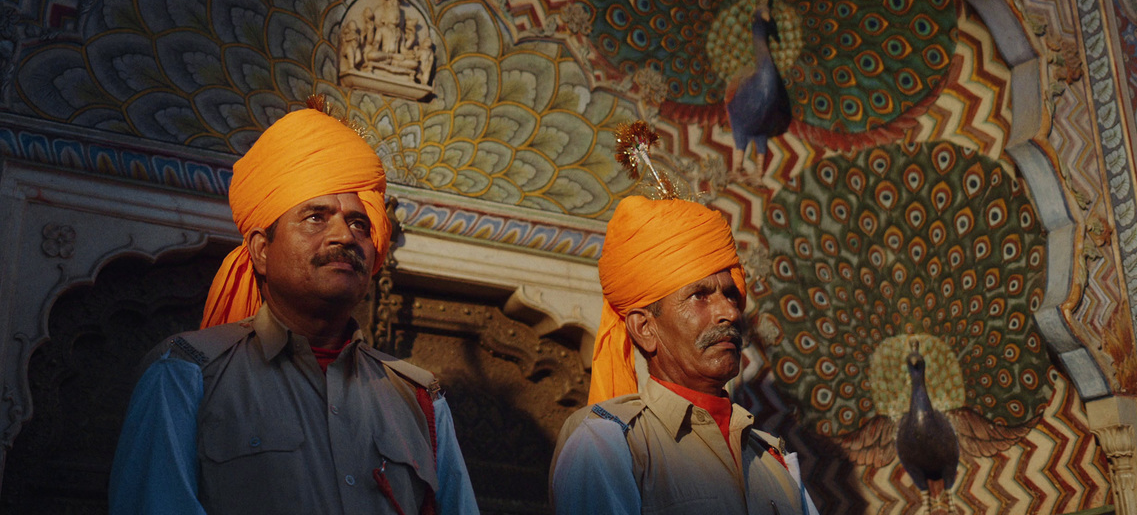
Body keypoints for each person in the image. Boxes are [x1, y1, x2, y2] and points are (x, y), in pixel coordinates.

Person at [109, 104, 481, 515]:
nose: (344, 235)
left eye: (359, 224)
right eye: (316, 217)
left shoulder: (420, 399)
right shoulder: (185, 374)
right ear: (262, 251)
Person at [551, 196, 817, 515]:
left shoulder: (773, 460)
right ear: (645, 329)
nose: (729, 312)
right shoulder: (606, 442)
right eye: (700, 296)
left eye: (731, 295)